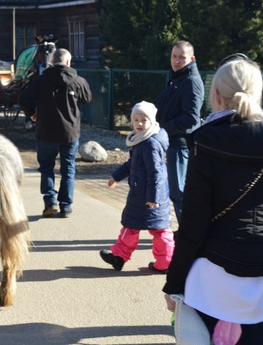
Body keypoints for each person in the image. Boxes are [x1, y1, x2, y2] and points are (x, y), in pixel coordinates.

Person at [163, 55, 263, 344]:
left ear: (215, 95)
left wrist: (174, 284)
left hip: (213, 282)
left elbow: (193, 225)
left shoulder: (205, 143)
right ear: (259, 93)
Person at [99, 101, 174, 272]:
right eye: (136, 120)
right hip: (143, 194)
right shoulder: (141, 141)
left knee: (155, 229)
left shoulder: (150, 143)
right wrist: (115, 177)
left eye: (144, 120)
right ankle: (122, 257)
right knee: (138, 227)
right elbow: (132, 163)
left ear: (152, 122)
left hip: (149, 196)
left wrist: (152, 198)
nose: (139, 124)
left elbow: (156, 172)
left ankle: (164, 262)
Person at [19, 48, 92, 218]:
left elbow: (24, 99)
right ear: (68, 62)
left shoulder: (40, 81)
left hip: (46, 131)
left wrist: (31, 113)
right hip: (70, 133)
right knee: (68, 169)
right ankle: (66, 206)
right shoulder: (78, 81)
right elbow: (87, 99)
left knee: (46, 167)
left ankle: (50, 201)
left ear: (52, 61)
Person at [155, 40, 204, 223]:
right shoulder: (178, 78)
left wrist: (162, 130)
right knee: (176, 192)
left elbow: (191, 119)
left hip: (181, 145)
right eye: (174, 57)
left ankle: (188, 235)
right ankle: (187, 232)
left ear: (191, 58)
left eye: (181, 57)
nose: (176, 61)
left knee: (180, 192)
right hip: (173, 143)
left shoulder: (191, 81)